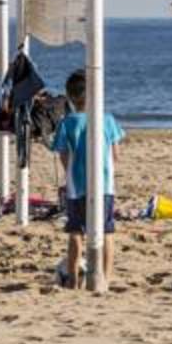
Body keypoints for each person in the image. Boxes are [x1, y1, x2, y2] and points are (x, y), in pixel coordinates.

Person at [51, 69, 125, 289]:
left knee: (75, 232)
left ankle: (73, 279)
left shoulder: (67, 123)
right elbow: (116, 154)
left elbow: (63, 154)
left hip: (77, 186)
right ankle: (106, 277)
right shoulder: (108, 120)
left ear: (71, 98)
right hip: (104, 185)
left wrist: (71, 172)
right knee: (107, 231)